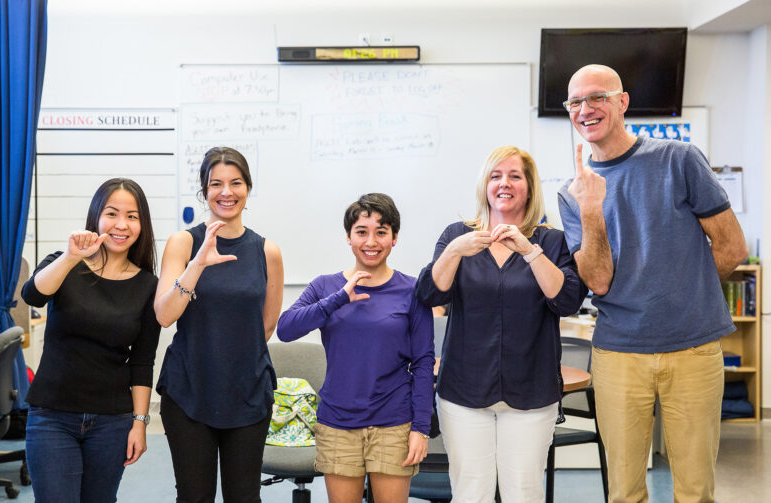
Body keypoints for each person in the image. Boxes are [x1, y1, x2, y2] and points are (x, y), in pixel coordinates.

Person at [557, 64, 749, 503]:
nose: (586, 109)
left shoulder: (678, 159)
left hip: (694, 349)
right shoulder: (573, 193)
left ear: (622, 102)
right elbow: (599, 282)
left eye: (597, 97)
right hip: (618, 353)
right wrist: (590, 210)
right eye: (576, 102)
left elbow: (732, 247)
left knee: (695, 490)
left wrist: (683, 295)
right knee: (624, 491)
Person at [416, 147, 587, 502]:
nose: (504, 183)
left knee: (523, 493)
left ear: (529, 187)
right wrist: (453, 252)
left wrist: (530, 252)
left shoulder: (551, 241)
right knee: (470, 492)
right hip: (464, 391)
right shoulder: (457, 235)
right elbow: (429, 294)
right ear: (485, 185)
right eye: (496, 176)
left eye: (514, 176)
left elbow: (568, 301)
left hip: (532, 391)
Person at [277, 193, 434, 503]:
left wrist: (421, 427)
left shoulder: (412, 290)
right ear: (348, 237)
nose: (371, 241)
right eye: (361, 232)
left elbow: (423, 363)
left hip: (394, 422)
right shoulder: (325, 287)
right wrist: (338, 299)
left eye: (381, 231)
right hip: (338, 423)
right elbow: (286, 329)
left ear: (394, 238)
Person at [154, 147, 284, 503]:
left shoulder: (266, 250)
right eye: (216, 184)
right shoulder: (184, 242)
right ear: (204, 190)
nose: (226, 192)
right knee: (194, 496)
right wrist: (197, 264)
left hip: (247, 393)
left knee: (244, 497)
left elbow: (266, 326)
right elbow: (164, 315)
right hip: (189, 391)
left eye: (236, 183)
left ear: (248, 187)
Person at [21, 178, 161, 503]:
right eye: (112, 213)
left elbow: (142, 361)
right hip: (52, 416)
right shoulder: (65, 262)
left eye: (132, 216)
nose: (121, 225)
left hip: (112, 422)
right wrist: (71, 257)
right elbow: (32, 295)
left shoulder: (148, 285)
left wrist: (140, 423)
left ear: (143, 225)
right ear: (97, 217)